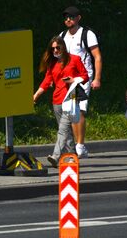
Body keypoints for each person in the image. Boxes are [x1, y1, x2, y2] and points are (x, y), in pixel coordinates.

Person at [33, 36, 89, 168]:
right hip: (57, 100)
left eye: (58, 47)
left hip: (71, 99)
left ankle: (55, 156)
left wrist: (73, 80)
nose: (56, 51)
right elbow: (47, 81)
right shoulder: (52, 64)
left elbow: (85, 76)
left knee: (63, 130)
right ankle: (72, 157)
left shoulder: (74, 59)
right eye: (53, 49)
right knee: (66, 132)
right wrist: (36, 95)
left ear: (63, 46)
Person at [60, 6, 103, 159]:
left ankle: (80, 145)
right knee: (72, 111)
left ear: (78, 18)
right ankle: (76, 145)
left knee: (81, 110)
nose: (68, 20)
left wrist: (97, 78)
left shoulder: (87, 34)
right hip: (67, 79)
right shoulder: (62, 35)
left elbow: (97, 56)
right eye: (66, 17)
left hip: (83, 77)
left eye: (71, 17)